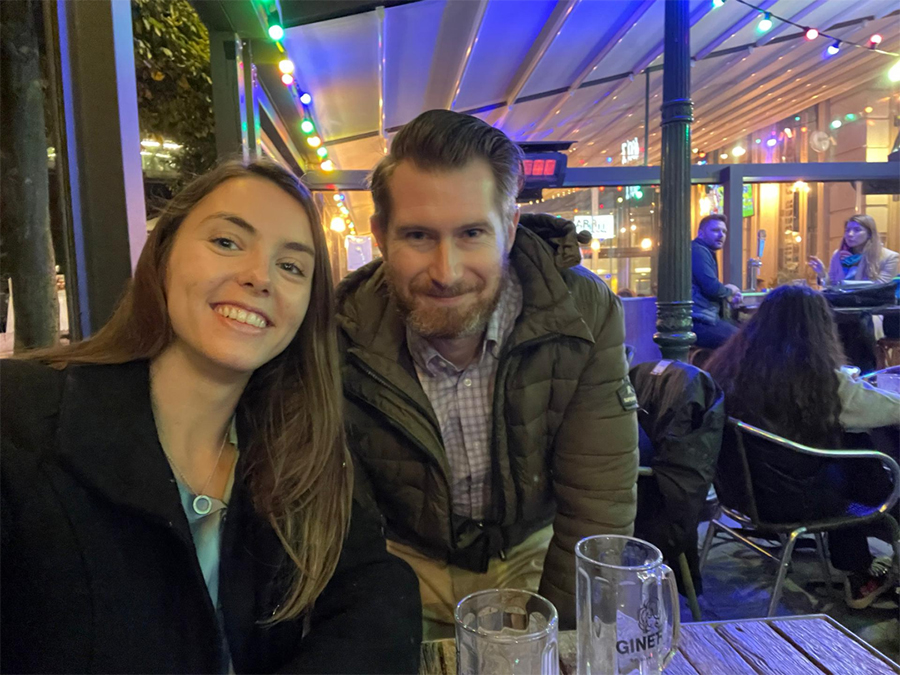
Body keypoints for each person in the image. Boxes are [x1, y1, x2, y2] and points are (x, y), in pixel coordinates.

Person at [0, 160, 422, 673]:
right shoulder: (21, 418)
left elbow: (378, 595)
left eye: (291, 267)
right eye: (226, 242)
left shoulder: (295, 450)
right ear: (164, 256)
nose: (257, 277)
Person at [337, 110, 638, 637]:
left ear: (510, 227)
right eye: (418, 236)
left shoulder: (584, 311)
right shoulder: (338, 328)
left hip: (535, 555)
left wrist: (557, 643)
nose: (446, 271)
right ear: (380, 236)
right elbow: (341, 516)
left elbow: (597, 502)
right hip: (397, 563)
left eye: (472, 232)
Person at [706, 285, 900, 610]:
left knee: (848, 446)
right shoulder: (818, 380)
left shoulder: (729, 365)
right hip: (798, 501)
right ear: (819, 328)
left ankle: (857, 568)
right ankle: (861, 570)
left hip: (742, 493)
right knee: (862, 454)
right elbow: (883, 409)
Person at [691, 214, 742, 349]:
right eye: (715, 230)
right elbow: (711, 288)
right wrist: (731, 291)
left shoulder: (703, 251)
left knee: (745, 335)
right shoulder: (698, 251)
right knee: (744, 341)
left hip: (703, 319)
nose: (721, 235)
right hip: (699, 321)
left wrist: (727, 292)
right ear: (701, 233)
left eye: (724, 231)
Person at [808, 214, 899, 285]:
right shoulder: (838, 254)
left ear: (869, 234)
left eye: (857, 230)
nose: (850, 234)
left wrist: (853, 268)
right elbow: (832, 285)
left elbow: (881, 287)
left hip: (872, 307)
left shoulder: (889, 257)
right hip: (841, 306)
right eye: (847, 230)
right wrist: (822, 273)